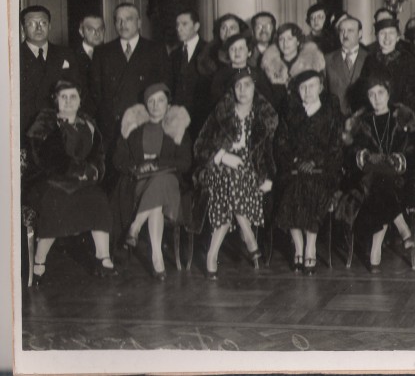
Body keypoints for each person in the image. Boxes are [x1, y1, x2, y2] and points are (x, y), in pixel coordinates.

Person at [25, 80, 117, 284]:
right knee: (56, 202)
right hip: (49, 180)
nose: (68, 102)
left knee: (98, 199)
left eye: (72, 97)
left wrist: (93, 171)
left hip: (82, 181)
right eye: (63, 97)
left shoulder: (89, 124)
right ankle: (39, 260)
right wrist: (77, 170)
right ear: (55, 100)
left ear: (80, 100)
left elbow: (98, 155)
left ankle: (103, 257)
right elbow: (46, 158)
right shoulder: (45, 123)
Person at [193, 67, 278, 280]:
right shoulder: (221, 113)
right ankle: (248, 235)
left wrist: (269, 177)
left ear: (255, 87)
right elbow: (199, 146)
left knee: (230, 183)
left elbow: (271, 153)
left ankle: (212, 255)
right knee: (229, 176)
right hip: (218, 168)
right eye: (238, 86)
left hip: (251, 172)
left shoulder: (264, 116)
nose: (242, 90)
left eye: (247, 85)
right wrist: (221, 156)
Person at [338, 74, 415, 272]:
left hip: (398, 178)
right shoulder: (361, 121)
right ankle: (402, 227)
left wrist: (397, 160)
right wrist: (365, 157)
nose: (376, 98)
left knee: (381, 184)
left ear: (388, 94)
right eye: (372, 94)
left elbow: (414, 150)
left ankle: (376, 250)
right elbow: (351, 152)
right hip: (366, 178)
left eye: (381, 93)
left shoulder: (402, 118)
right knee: (377, 181)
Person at [112, 83, 192, 279]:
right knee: (155, 199)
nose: (156, 105)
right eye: (151, 101)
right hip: (141, 184)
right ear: (145, 104)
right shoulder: (133, 127)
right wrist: (138, 167)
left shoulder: (177, 127)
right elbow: (118, 160)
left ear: (168, 104)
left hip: (171, 185)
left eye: (161, 100)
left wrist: (157, 164)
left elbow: (185, 163)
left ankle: (136, 226)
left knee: (161, 180)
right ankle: (157, 258)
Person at [274, 70, 343, 275]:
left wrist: (315, 162)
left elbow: (336, 146)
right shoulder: (290, 112)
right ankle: (298, 244)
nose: (307, 91)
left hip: (323, 170)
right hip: (294, 169)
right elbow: (281, 143)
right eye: (303, 87)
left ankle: (310, 245)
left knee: (313, 187)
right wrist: (296, 161)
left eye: (312, 86)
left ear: (321, 88)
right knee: (292, 189)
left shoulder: (330, 112)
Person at [90, 3, 170, 166]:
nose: (123, 25)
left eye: (128, 19)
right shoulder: (102, 52)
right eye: (118, 20)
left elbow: (165, 86)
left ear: (139, 22)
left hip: (145, 121)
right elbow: (95, 91)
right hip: (111, 125)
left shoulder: (155, 50)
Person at [20, 5, 80, 142]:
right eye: (32, 23)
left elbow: (77, 89)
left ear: (50, 26)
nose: (39, 27)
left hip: (60, 129)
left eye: (43, 23)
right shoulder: (14, 56)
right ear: (23, 28)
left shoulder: (66, 54)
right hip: (25, 130)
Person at [361, 17, 415, 112]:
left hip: (400, 114)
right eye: (382, 33)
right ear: (377, 37)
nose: (387, 38)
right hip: (375, 112)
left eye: (391, 33)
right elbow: (363, 90)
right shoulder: (370, 60)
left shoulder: (408, 59)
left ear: (398, 37)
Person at [262, 22, 325, 111]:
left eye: (289, 39)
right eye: (281, 39)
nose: (285, 43)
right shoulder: (269, 66)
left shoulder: (313, 64)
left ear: (298, 41)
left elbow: (322, 93)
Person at [169, 9, 211, 140]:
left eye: (184, 24)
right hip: (179, 120)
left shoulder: (209, 50)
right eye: (177, 25)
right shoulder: (174, 55)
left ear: (196, 26)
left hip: (202, 117)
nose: (179, 28)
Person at [324, 15, 368, 116]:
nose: (345, 34)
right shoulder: (327, 59)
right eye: (342, 30)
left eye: (350, 30)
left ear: (360, 33)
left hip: (363, 119)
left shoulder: (369, 58)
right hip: (335, 119)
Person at [73, 13, 105, 112]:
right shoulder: (71, 56)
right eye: (91, 29)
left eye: (100, 29)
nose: (97, 33)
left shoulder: (113, 54)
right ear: (81, 32)